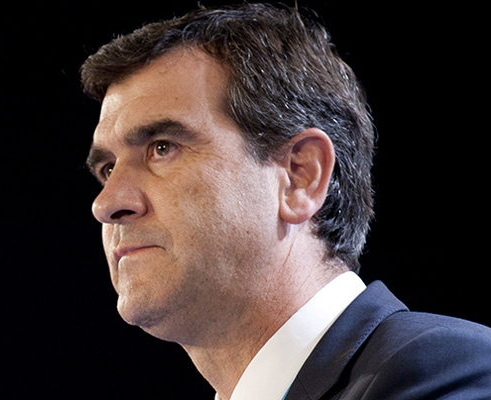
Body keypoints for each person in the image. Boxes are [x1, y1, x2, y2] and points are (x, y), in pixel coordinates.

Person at [80, 3, 491, 399]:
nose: (106, 203)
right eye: (108, 168)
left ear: (300, 176)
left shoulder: (444, 373)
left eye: (162, 148)